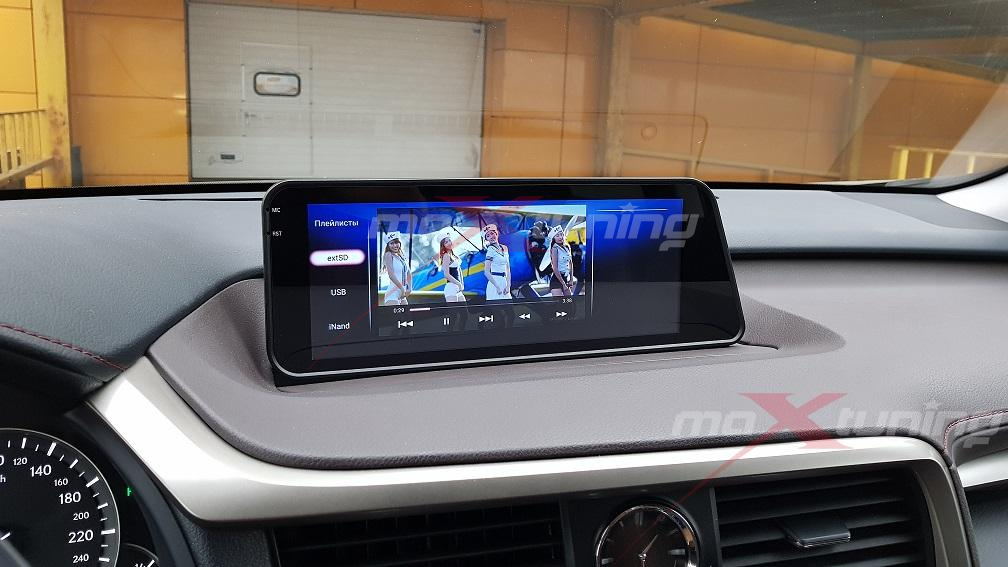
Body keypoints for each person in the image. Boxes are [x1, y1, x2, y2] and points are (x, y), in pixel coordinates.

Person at [482, 224, 511, 301]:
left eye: (492, 233)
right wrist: (497, 287)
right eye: (488, 236)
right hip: (494, 284)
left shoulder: (505, 248)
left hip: (504, 283)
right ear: (487, 239)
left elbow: (508, 269)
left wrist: (508, 286)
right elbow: (486, 272)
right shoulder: (490, 250)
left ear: (496, 233)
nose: (491, 237)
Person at [382, 231, 410, 305]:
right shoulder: (388, 255)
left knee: (406, 312)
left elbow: (408, 273)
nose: (394, 245)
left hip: (402, 294)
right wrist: (402, 288)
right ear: (388, 245)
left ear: (399, 243)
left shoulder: (401, 256)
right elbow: (391, 275)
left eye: (396, 242)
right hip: (393, 293)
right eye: (391, 243)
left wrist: (410, 288)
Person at [547, 225, 576, 297]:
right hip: (556, 280)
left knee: (569, 301)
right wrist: (563, 284)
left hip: (565, 278)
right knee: (560, 303)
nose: (560, 237)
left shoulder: (567, 247)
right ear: (554, 238)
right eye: (557, 236)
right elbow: (555, 268)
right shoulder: (554, 249)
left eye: (561, 234)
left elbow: (570, 263)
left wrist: (571, 279)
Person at [439, 236, 465, 302]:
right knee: (454, 309)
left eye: (449, 240)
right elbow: (446, 275)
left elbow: (459, 271)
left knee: (464, 308)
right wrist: (459, 284)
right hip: (451, 287)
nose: (449, 243)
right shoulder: (446, 256)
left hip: (457, 288)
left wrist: (461, 284)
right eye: (446, 242)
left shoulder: (454, 256)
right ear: (443, 246)